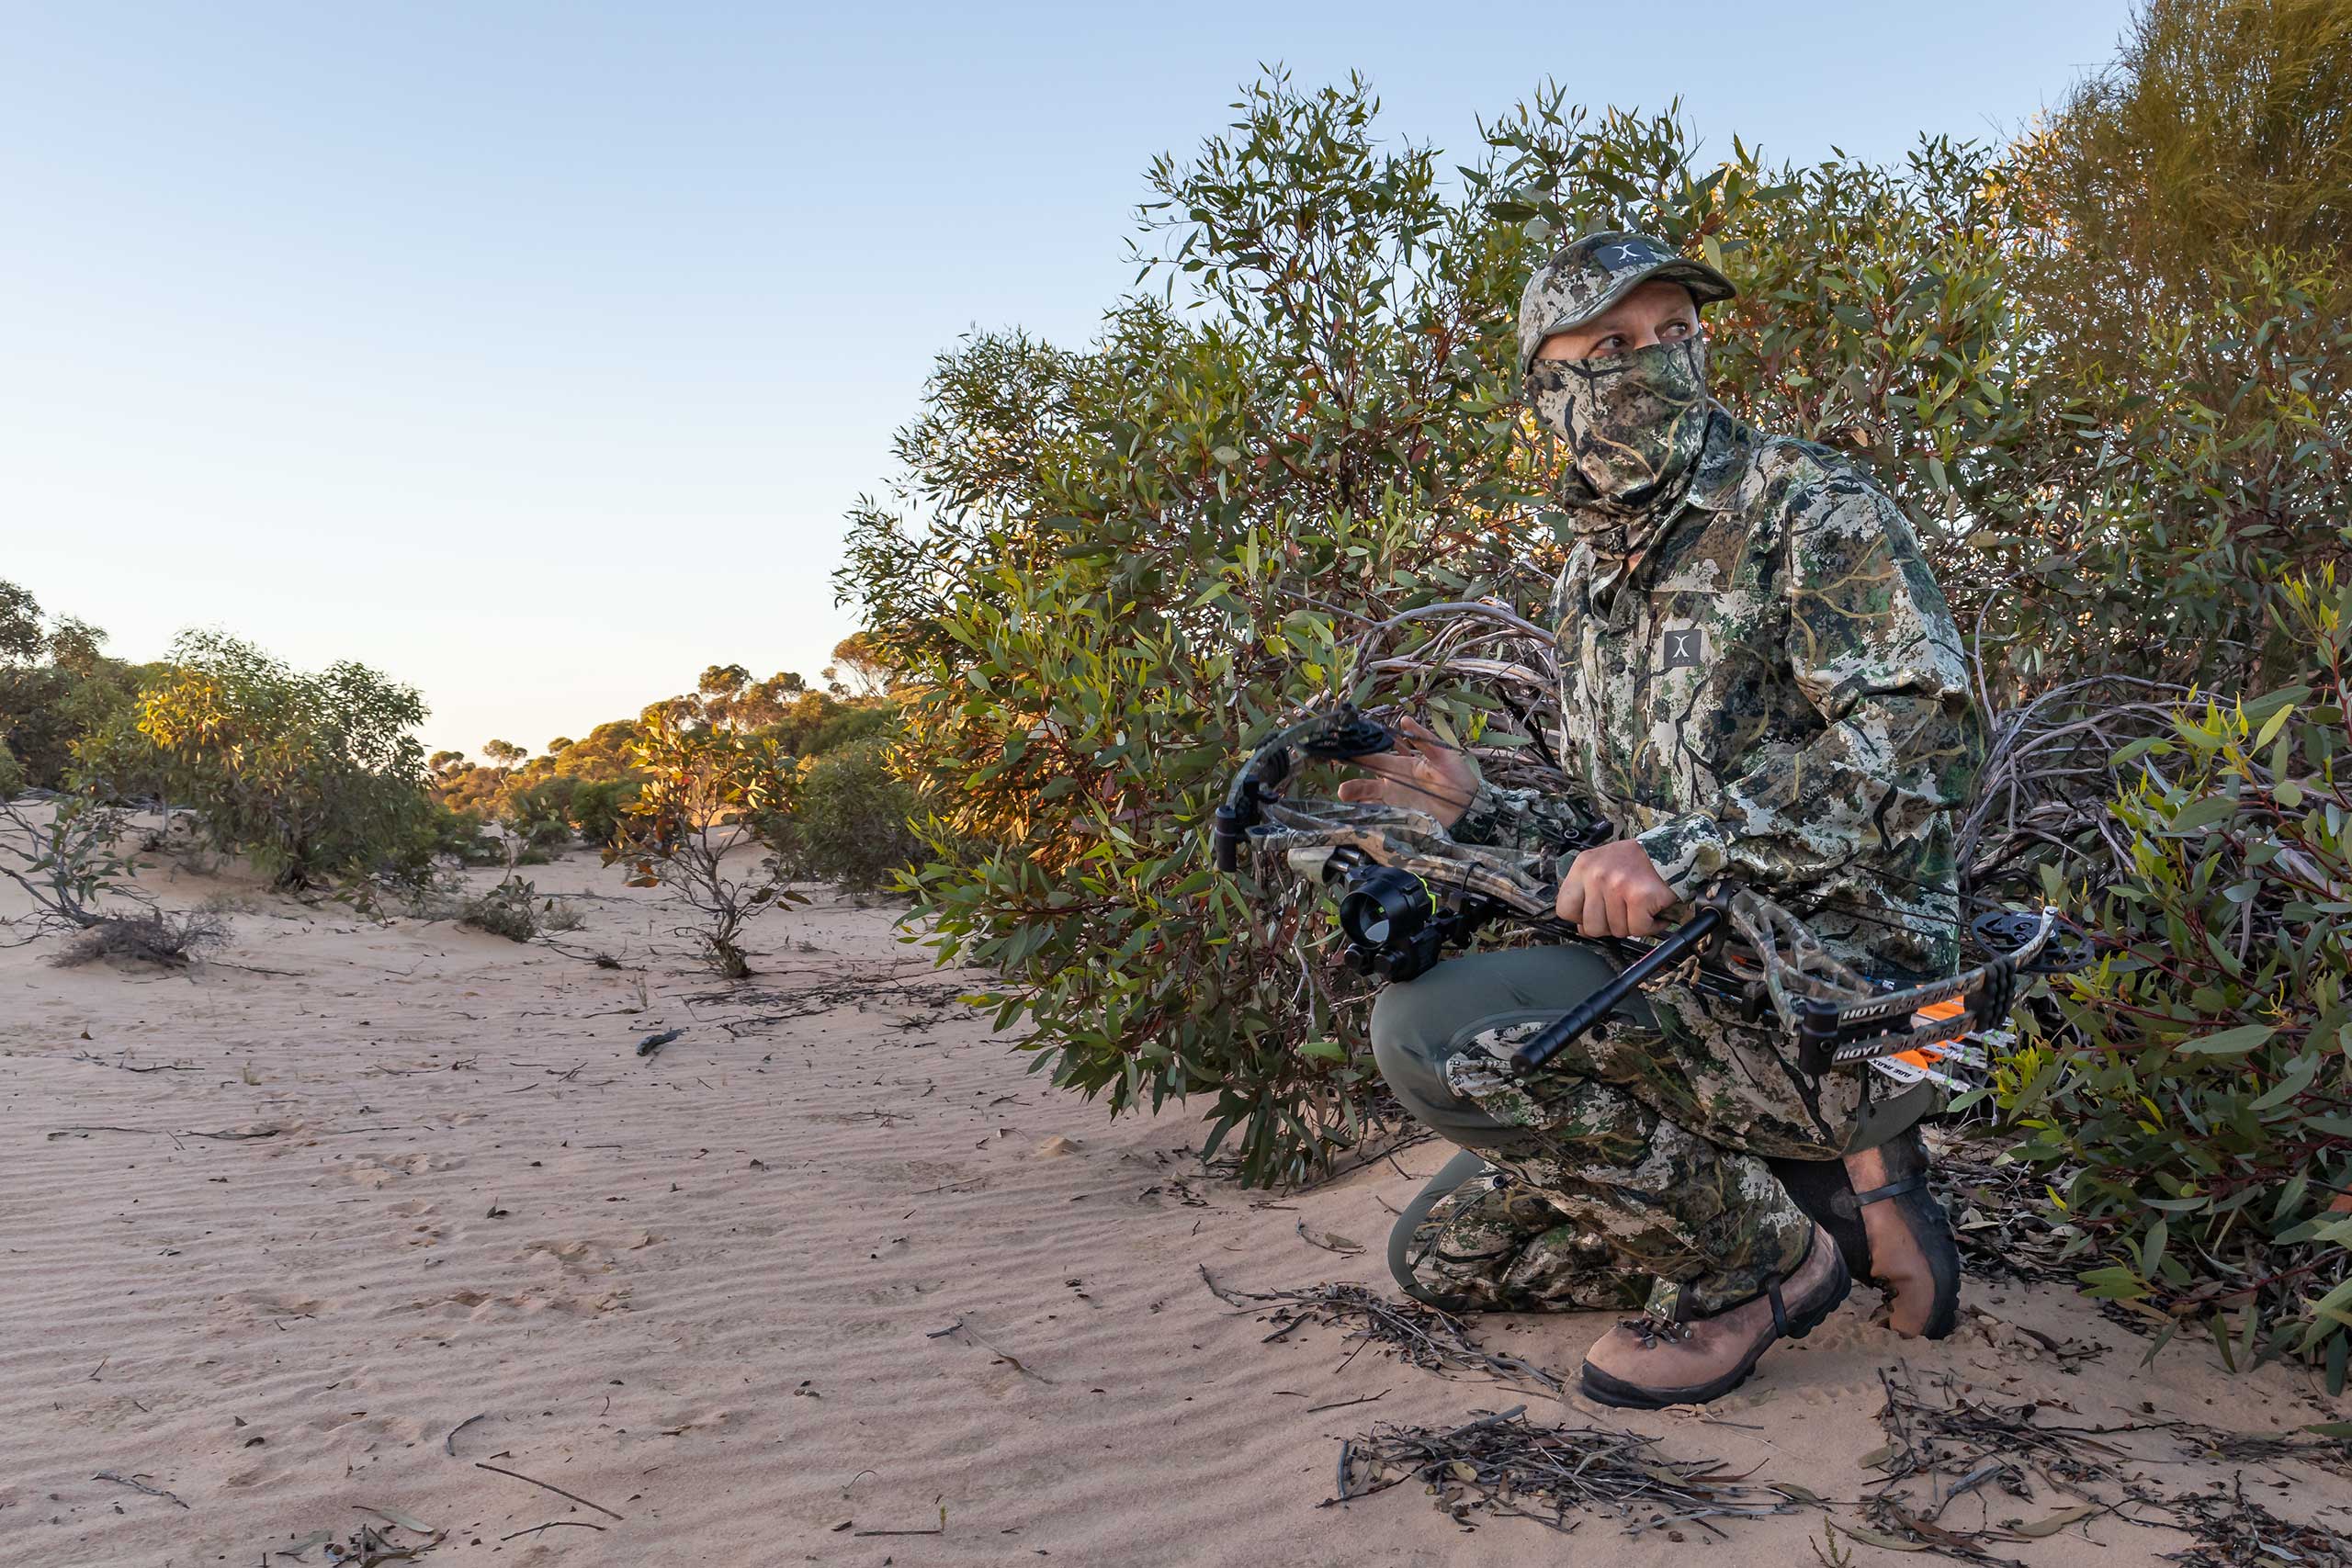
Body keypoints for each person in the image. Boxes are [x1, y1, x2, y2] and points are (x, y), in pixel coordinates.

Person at [1339, 230, 1984, 1408]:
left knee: (1427, 1032)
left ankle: (1758, 1271)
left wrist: (1683, 850)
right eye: (1611, 345)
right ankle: (1825, 1200)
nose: (1653, 361)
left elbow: (1928, 743)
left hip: (1853, 1001)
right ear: (1549, 387)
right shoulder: (1590, 576)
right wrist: (1477, 811)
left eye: (1674, 333)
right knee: (1439, 1258)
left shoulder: (1804, 503)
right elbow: (1617, 828)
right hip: (1698, 983)